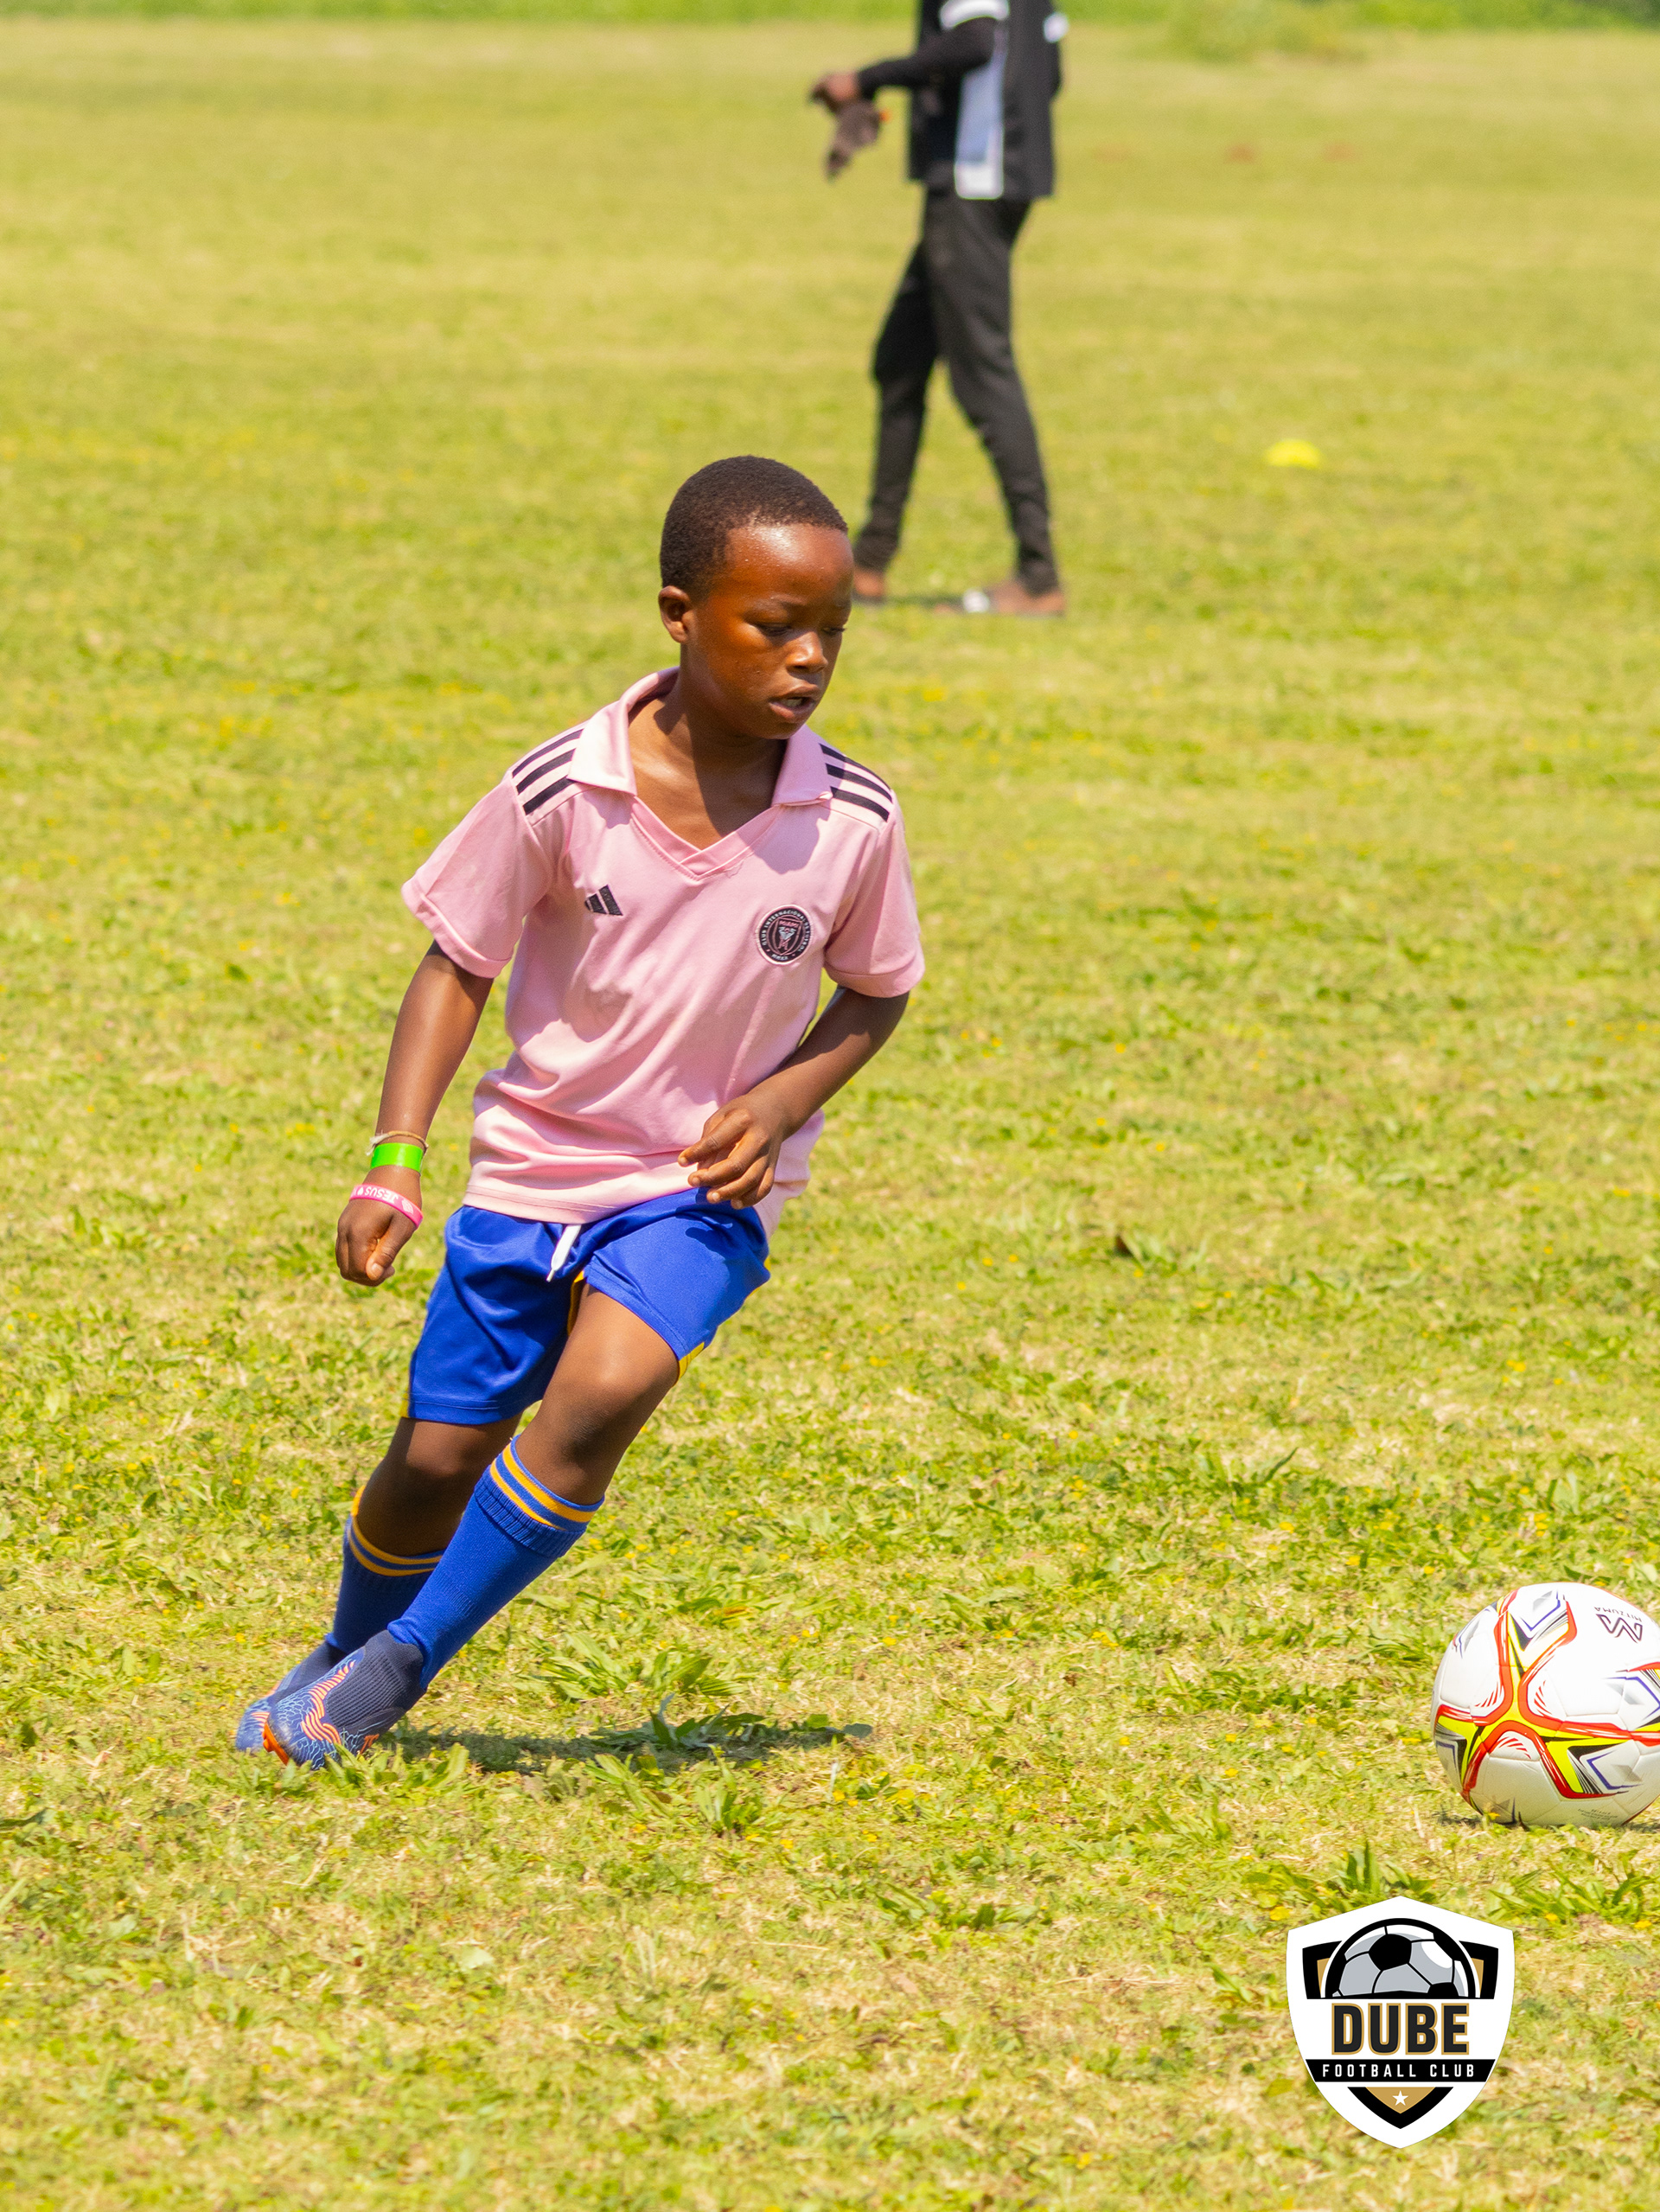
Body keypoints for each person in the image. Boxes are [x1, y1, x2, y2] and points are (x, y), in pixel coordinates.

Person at [239, 456, 924, 1767]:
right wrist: (392, 1160)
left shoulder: (852, 817)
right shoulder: (561, 788)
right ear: (680, 613)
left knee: (607, 1390)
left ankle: (397, 1667)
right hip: (533, 1172)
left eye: (832, 630)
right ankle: (345, 1651)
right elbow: (457, 966)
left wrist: (782, 1098)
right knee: (437, 1461)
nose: (809, 657)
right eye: (775, 624)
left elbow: (877, 991)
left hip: (697, 1187)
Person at [813, 0, 1068, 617]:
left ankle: (1038, 576)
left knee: (984, 376)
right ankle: (869, 562)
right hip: (1000, 176)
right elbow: (1050, 68)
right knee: (900, 362)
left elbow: (975, 42)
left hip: (973, 184)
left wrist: (864, 81)